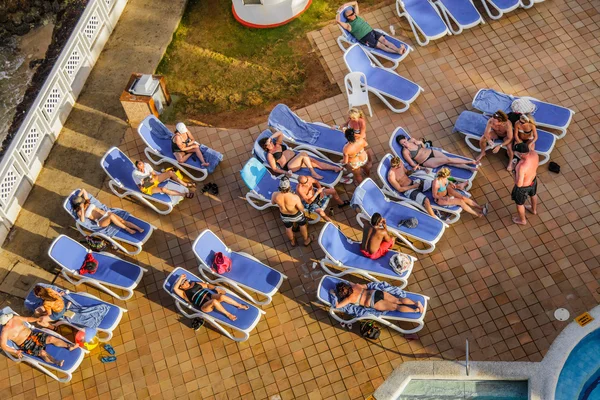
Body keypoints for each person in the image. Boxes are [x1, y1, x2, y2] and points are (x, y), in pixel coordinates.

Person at [0, 312, 78, 367]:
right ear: (7, 323)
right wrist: (15, 351)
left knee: (51, 338)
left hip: (33, 335)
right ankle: (56, 362)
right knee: (42, 352)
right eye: (9, 318)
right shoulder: (5, 332)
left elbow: (27, 319)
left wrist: (36, 319)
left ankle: (69, 346)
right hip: (26, 344)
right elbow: (3, 346)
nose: (11, 317)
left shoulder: (15, 318)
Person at [259, 131, 343, 180]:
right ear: (265, 147)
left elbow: (280, 133)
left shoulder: (277, 144)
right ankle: (313, 173)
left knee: (315, 163)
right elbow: (274, 169)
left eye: (270, 141)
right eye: (268, 143)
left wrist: (270, 137)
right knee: (303, 154)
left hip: (296, 159)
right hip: (290, 166)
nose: (271, 143)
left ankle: (335, 168)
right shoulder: (270, 155)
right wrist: (286, 172)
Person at [336, 1, 407, 55]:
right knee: (381, 46)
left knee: (385, 41)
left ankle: (398, 49)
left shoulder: (356, 15)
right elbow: (338, 21)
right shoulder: (348, 25)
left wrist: (344, 5)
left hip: (371, 31)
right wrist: (339, 12)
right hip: (365, 38)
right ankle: (398, 51)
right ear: (348, 17)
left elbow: (355, 2)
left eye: (353, 12)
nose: (354, 14)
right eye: (351, 14)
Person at [173, 274, 248, 321]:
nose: (185, 283)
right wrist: (180, 278)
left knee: (221, 296)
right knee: (214, 301)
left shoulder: (194, 283)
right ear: (181, 287)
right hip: (204, 306)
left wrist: (216, 289)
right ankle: (228, 314)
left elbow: (207, 286)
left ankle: (239, 305)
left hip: (210, 296)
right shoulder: (184, 293)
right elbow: (175, 289)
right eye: (182, 283)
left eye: (185, 281)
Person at [71, 189, 144, 235]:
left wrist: (78, 197)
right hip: (101, 221)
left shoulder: (87, 201)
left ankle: (138, 228)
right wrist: (82, 208)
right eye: (81, 202)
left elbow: (83, 190)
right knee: (111, 216)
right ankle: (127, 229)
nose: (82, 202)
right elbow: (82, 220)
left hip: (106, 214)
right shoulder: (80, 212)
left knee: (122, 220)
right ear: (78, 205)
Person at [330, 281, 424, 313]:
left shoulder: (349, 299)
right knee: (398, 300)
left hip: (372, 302)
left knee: (396, 307)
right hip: (376, 293)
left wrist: (333, 294)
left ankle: (415, 311)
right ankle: (416, 303)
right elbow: (349, 283)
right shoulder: (356, 286)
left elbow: (337, 306)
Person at [271, 177, 313, 246]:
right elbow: (301, 208)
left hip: (284, 215)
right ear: (289, 187)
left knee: (288, 228)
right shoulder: (294, 197)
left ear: (280, 187)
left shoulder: (275, 195)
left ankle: (292, 242)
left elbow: (272, 203)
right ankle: (306, 240)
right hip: (296, 215)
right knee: (302, 225)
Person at [397, 136, 478, 171]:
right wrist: (423, 168)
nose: (405, 145)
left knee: (449, 162)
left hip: (431, 152)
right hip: (426, 161)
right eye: (402, 144)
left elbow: (424, 147)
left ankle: (469, 167)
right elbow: (412, 164)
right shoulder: (405, 152)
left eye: (404, 142)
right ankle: (469, 163)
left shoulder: (412, 140)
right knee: (448, 160)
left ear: (405, 138)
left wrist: (421, 142)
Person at [511, 143, 539, 225]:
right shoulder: (534, 154)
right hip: (533, 180)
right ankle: (533, 210)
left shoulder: (521, 166)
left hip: (523, 187)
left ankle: (522, 220)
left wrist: (513, 170)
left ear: (520, 154)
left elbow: (519, 184)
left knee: (519, 204)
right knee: (533, 194)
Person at [341, 108, 373, 174]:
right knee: (357, 151)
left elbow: (362, 135)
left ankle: (370, 161)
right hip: (352, 138)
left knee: (365, 150)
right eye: (350, 117)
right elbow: (345, 124)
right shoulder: (350, 119)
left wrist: (349, 133)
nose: (351, 119)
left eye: (353, 118)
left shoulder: (361, 122)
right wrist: (339, 127)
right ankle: (363, 163)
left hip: (360, 138)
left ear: (357, 116)